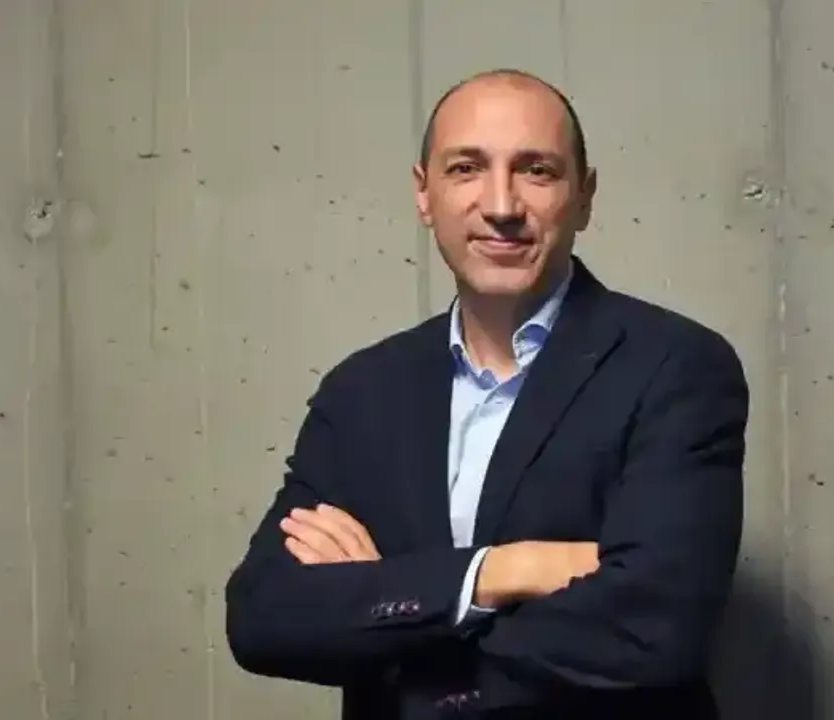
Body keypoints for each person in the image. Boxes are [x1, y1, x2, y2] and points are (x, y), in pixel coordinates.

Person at [224, 68, 749, 719]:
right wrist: (505, 571)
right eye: (466, 168)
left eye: (537, 171)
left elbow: (656, 629)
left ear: (585, 197)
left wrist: (390, 622)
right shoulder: (363, 391)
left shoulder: (675, 367)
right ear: (424, 193)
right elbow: (263, 616)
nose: (501, 204)